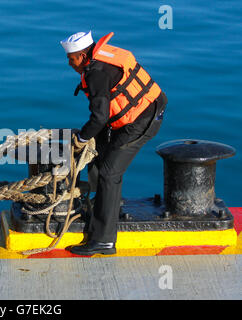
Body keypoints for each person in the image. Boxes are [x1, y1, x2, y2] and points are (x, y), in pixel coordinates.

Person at [60, 30, 167, 255]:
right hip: (133, 115)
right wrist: (90, 137)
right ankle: (106, 207)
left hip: (144, 118)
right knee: (98, 154)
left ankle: (103, 241)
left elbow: (99, 117)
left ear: (81, 55)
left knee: (110, 173)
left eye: (71, 59)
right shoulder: (101, 59)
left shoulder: (95, 73)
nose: (69, 64)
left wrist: (80, 138)